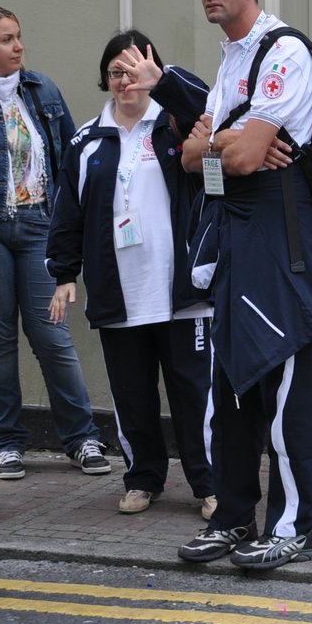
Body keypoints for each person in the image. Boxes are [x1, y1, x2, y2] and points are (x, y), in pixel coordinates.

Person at [177, 0, 312, 570]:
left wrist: (218, 144)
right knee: (232, 390)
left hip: (284, 242)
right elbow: (192, 158)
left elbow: (239, 156)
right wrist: (225, 142)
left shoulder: (284, 52)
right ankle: (233, 517)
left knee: (289, 397)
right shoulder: (230, 59)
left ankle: (295, 526)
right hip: (236, 240)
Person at [0, 5, 109, 481]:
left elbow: (73, 161)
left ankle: (82, 438)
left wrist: (74, 237)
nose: (19, 47)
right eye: (7, 39)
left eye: (19, 37)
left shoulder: (42, 89)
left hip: (39, 229)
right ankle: (7, 444)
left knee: (52, 337)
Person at [46, 30, 217, 517]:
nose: (126, 81)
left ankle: (209, 483)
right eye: (116, 72)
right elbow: (67, 214)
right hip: (120, 291)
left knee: (194, 392)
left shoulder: (179, 126)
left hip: (182, 289)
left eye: (136, 71)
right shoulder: (86, 141)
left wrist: (164, 84)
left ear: (153, 73)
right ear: (105, 79)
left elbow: (212, 107)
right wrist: (64, 273)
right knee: (132, 394)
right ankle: (144, 478)